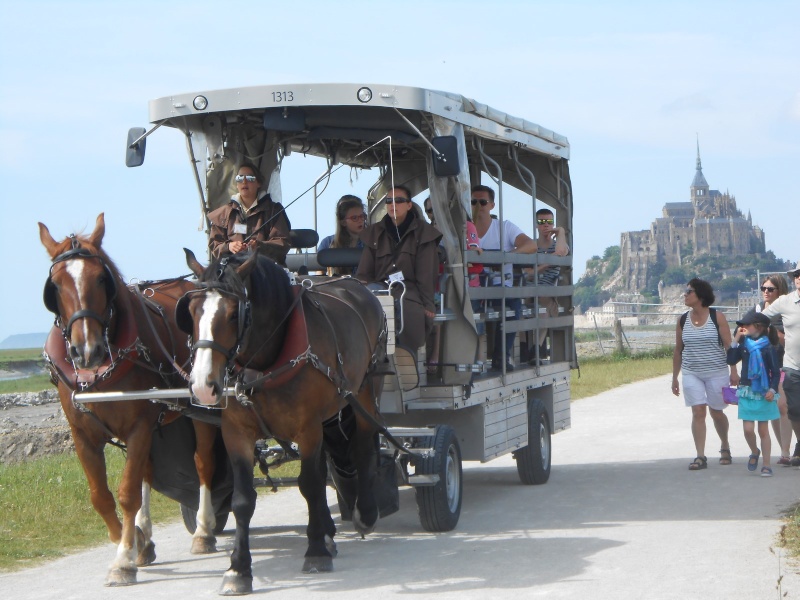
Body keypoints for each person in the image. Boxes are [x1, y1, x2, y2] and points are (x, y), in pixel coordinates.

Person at [357, 186, 442, 351]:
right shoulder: (374, 232)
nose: (393, 204)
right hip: (380, 286)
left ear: (409, 205)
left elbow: (426, 274)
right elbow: (364, 273)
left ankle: (406, 356)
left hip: (410, 290)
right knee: (368, 299)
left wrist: (428, 304)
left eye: (399, 200)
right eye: (389, 200)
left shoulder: (424, 232)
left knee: (408, 312)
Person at [671, 278, 737, 470]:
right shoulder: (682, 320)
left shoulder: (717, 317)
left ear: (700, 295)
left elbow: (729, 346)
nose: (685, 294)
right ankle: (700, 456)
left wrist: (733, 371)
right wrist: (675, 377)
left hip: (716, 371)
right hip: (692, 373)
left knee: (716, 412)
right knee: (698, 411)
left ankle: (724, 445)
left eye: (689, 291)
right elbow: (678, 350)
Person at [471, 184, 538, 372]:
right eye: (473, 202)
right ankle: (472, 357)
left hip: (501, 286)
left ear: (491, 205)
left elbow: (531, 245)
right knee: (468, 308)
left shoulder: (505, 227)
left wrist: (507, 256)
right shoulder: (465, 229)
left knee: (514, 306)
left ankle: (502, 355)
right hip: (473, 286)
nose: (478, 206)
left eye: (482, 202)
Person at [727, 311, 781, 476]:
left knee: (763, 430)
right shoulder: (744, 344)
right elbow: (730, 360)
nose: (743, 328)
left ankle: (766, 464)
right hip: (747, 390)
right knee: (748, 429)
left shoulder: (769, 347)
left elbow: (775, 372)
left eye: (746, 325)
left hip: (764, 391)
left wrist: (772, 389)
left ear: (758, 327)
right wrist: (736, 339)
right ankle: (754, 450)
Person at [745, 275, 792, 464]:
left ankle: (786, 451)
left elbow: (785, 339)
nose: (765, 291)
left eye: (770, 289)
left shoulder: (785, 312)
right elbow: (743, 330)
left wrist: (770, 327)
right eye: (763, 288)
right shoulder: (757, 310)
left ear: (779, 291)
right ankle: (783, 449)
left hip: (782, 363)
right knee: (774, 407)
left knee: (783, 407)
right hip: (762, 369)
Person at [207, 162, 291, 265]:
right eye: (240, 178)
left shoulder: (274, 210)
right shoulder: (223, 213)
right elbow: (214, 244)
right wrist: (229, 246)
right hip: (233, 270)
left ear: (259, 183)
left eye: (250, 178)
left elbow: (282, 243)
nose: (244, 181)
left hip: (264, 270)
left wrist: (259, 246)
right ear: (236, 184)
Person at [761, 261, 800, 466]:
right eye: (796, 275)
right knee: (792, 409)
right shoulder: (785, 302)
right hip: (790, 366)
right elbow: (757, 318)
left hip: (787, 363)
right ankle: (796, 445)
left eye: (770, 289)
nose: (798, 277)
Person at [525, 207, 569, 365]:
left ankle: (536, 349)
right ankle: (532, 349)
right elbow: (527, 273)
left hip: (547, 290)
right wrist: (548, 261)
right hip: (528, 289)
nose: (545, 225)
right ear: (536, 224)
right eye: (542, 222)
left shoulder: (557, 245)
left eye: (549, 222)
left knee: (543, 306)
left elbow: (562, 251)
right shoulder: (531, 246)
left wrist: (561, 231)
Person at [317, 195, 367, 275]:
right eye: (354, 218)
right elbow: (320, 274)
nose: (360, 221)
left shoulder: (371, 242)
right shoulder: (327, 243)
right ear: (343, 222)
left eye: (362, 216)